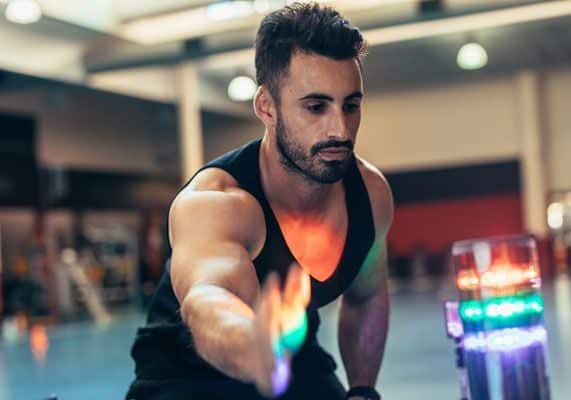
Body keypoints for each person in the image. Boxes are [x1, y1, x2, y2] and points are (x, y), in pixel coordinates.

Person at [126, 3, 393, 400]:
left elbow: (367, 297)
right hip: (185, 376)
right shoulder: (217, 201)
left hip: (294, 360)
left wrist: (361, 391)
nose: (340, 128)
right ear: (266, 107)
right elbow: (206, 299)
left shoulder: (369, 195)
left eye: (350, 105)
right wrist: (251, 342)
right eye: (316, 107)